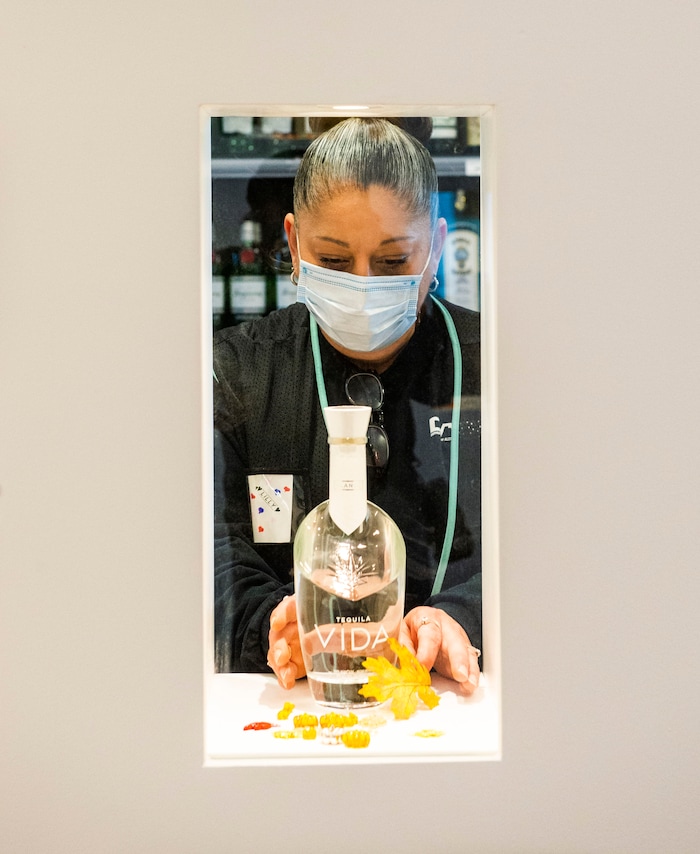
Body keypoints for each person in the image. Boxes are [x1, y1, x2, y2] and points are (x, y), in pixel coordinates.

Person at [213, 116, 482, 696]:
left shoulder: (493, 368)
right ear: (292, 242)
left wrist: (463, 615)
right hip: (291, 699)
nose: (363, 285)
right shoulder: (239, 372)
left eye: (391, 263)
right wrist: (268, 626)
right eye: (333, 261)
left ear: (436, 246)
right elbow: (209, 545)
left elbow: (542, 541)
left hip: (461, 700)